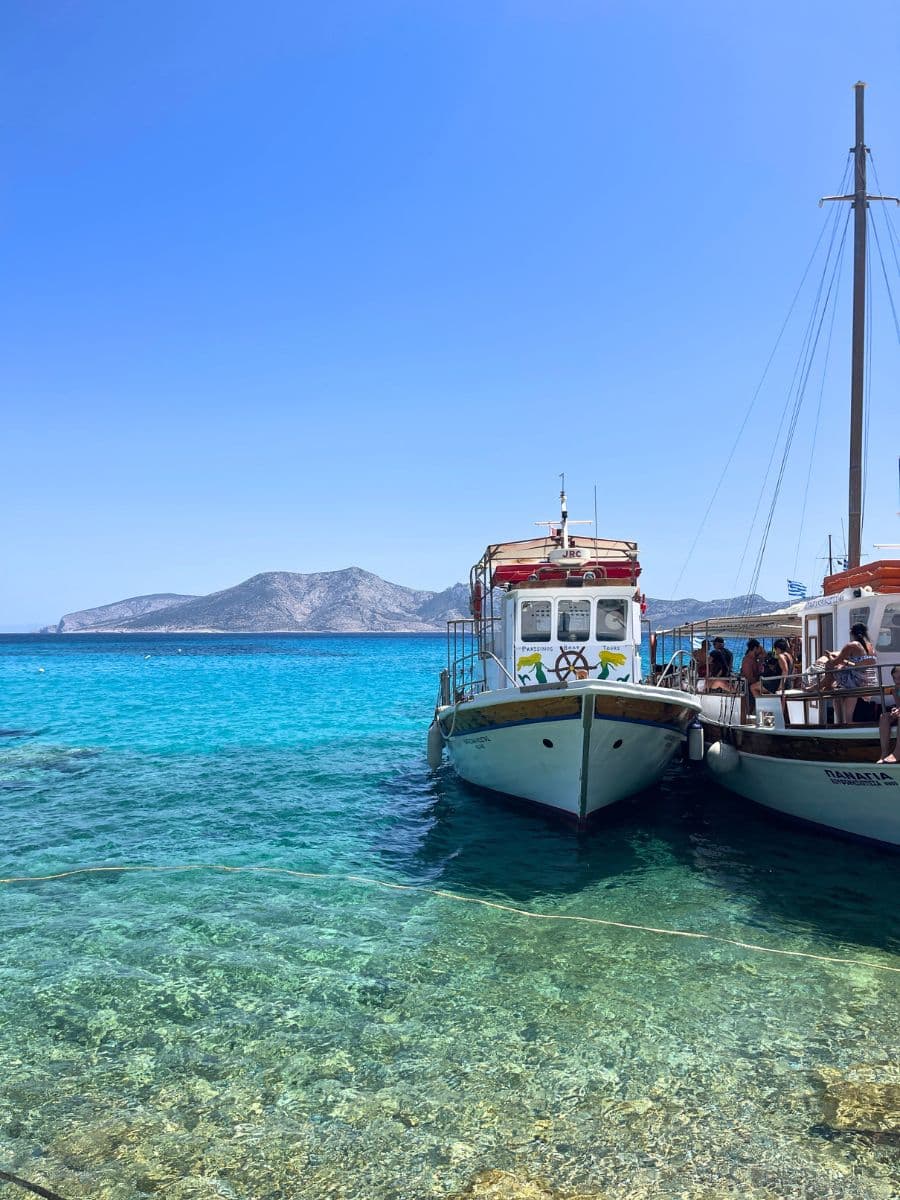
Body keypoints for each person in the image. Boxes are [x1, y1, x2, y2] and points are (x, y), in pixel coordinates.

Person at [830, 622, 879, 724]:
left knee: (834, 683)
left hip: (856, 682)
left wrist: (831, 655)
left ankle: (841, 721)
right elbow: (861, 664)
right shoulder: (871, 646)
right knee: (840, 683)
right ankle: (845, 721)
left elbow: (834, 662)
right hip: (870, 682)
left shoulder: (851, 645)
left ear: (852, 633)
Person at [877, 664, 900, 764]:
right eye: (895, 678)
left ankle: (897, 753)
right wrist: (895, 710)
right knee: (884, 717)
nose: (897, 681)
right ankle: (884, 753)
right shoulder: (895, 689)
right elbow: (899, 705)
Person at [740, 638, 767, 706]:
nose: (761, 650)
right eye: (759, 648)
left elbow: (765, 654)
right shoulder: (747, 660)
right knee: (749, 708)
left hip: (754, 686)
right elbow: (749, 677)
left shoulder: (754, 659)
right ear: (755, 648)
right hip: (748, 687)